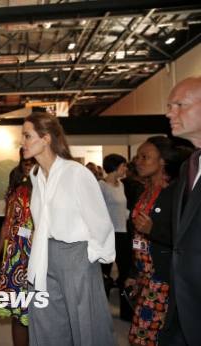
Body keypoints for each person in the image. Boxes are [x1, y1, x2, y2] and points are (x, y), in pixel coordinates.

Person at [21, 112, 117, 346]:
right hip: (44, 254)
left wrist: (89, 258)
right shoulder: (35, 175)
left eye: (27, 136)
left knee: (88, 327)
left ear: (45, 139)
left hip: (77, 257)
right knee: (46, 321)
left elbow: (100, 221)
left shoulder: (76, 173)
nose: (21, 142)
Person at [124, 136, 184, 346]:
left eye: (145, 156)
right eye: (138, 157)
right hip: (144, 275)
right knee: (149, 336)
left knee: (142, 336)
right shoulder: (143, 191)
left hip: (163, 279)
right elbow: (136, 236)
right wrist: (133, 272)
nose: (138, 161)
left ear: (163, 160)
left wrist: (153, 230)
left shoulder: (176, 192)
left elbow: (185, 240)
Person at [161, 75, 201, 346]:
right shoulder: (189, 166)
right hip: (183, 307)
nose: (169, 113)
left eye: (179, 105)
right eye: (169, 105)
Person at [0, 151, 36, 346]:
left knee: (40, 311)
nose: (27, 163)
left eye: (32, 160)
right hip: (16, 257)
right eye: (24, 159)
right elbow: (6, 225)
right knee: (18, 311)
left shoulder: (49, 188)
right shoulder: (15, 189)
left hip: (39, 254)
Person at [99, 154, 132, 317]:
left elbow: (121, 210)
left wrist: (133, 215)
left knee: (125, 275)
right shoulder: (101, 185)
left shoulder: (121, 185)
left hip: (122, 235)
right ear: (114, 167)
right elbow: (98, 212)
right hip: (106, 237)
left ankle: (126, 312)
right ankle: (100, 313)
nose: (125, 168)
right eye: (123, 165)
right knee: (104, 276)